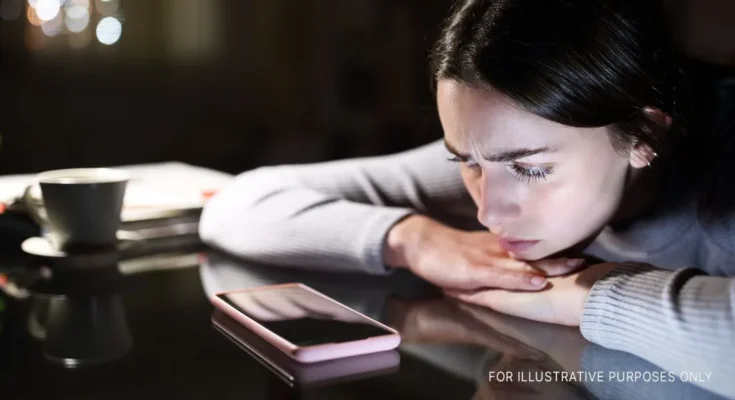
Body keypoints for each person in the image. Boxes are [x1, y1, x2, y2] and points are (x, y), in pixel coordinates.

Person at [199, 0, 735, 396]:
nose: (488, 211)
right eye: (466, 163)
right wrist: (416, 240)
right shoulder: (507, 141)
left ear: (643, 138)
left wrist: (588, 296)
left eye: (529, 169)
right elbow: (239, 205)